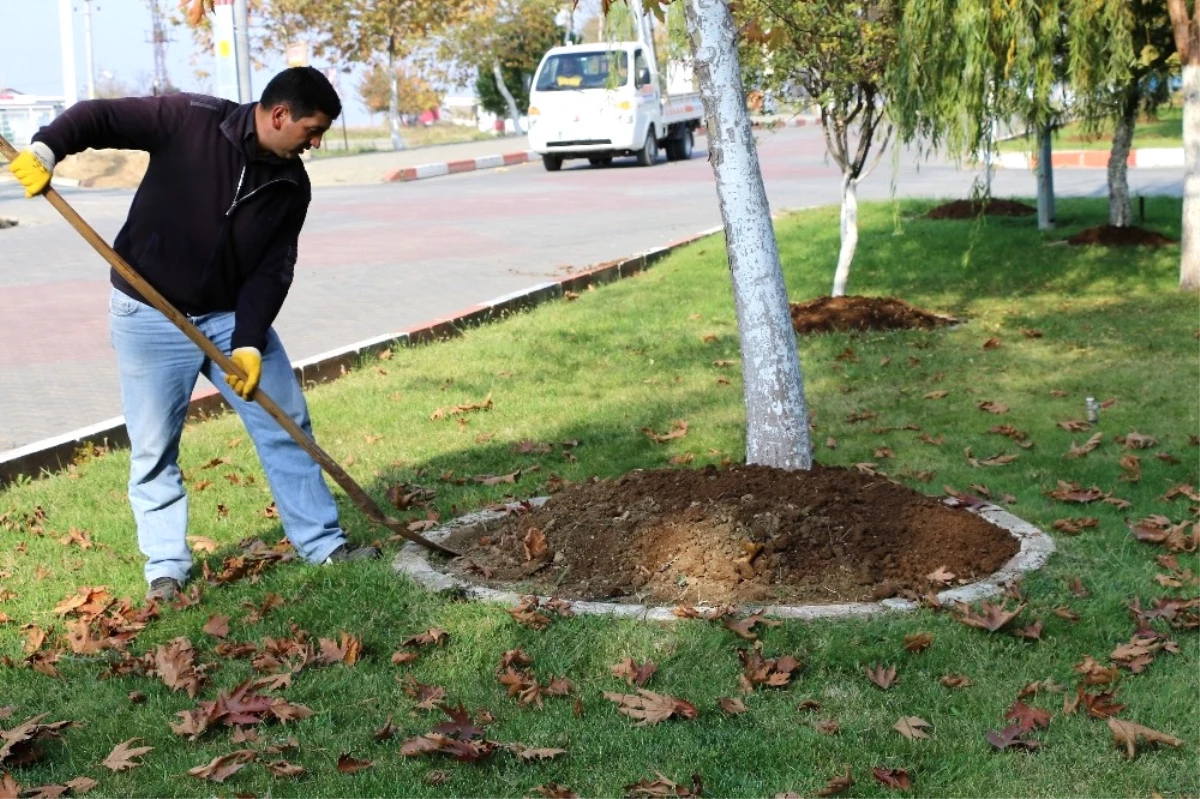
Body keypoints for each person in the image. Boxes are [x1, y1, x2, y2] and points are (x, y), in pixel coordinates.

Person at [7, 67, 379, 603]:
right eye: (312, 130)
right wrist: (47, 150)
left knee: (285, 422)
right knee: (155, 447)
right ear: (280, 115)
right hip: (148, 316)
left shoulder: (291, 184)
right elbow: (100, 116)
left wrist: (250, 341)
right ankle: (165, 570)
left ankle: (323, 544)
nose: (316, 143)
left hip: (230, 321)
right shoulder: (191, 120)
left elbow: (272, 270)